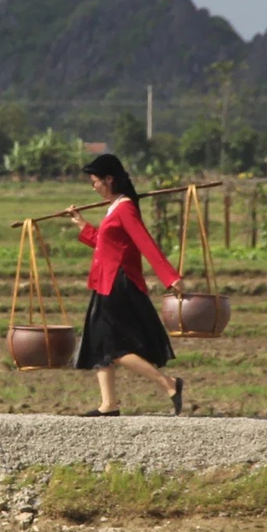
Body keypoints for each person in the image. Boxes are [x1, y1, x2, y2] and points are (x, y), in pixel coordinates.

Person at [63, 153, 185, 416]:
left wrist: (170, 277)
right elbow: (108, 245)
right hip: (105, 282)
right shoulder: (114, 207)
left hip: (118, 283)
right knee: (100, 342)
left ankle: (168, 383)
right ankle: (109, 404)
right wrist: (83, 225)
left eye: (95, 181)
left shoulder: (126, 207)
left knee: (114, 347)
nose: (93, 186)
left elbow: (145, 244)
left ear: (109, 179)